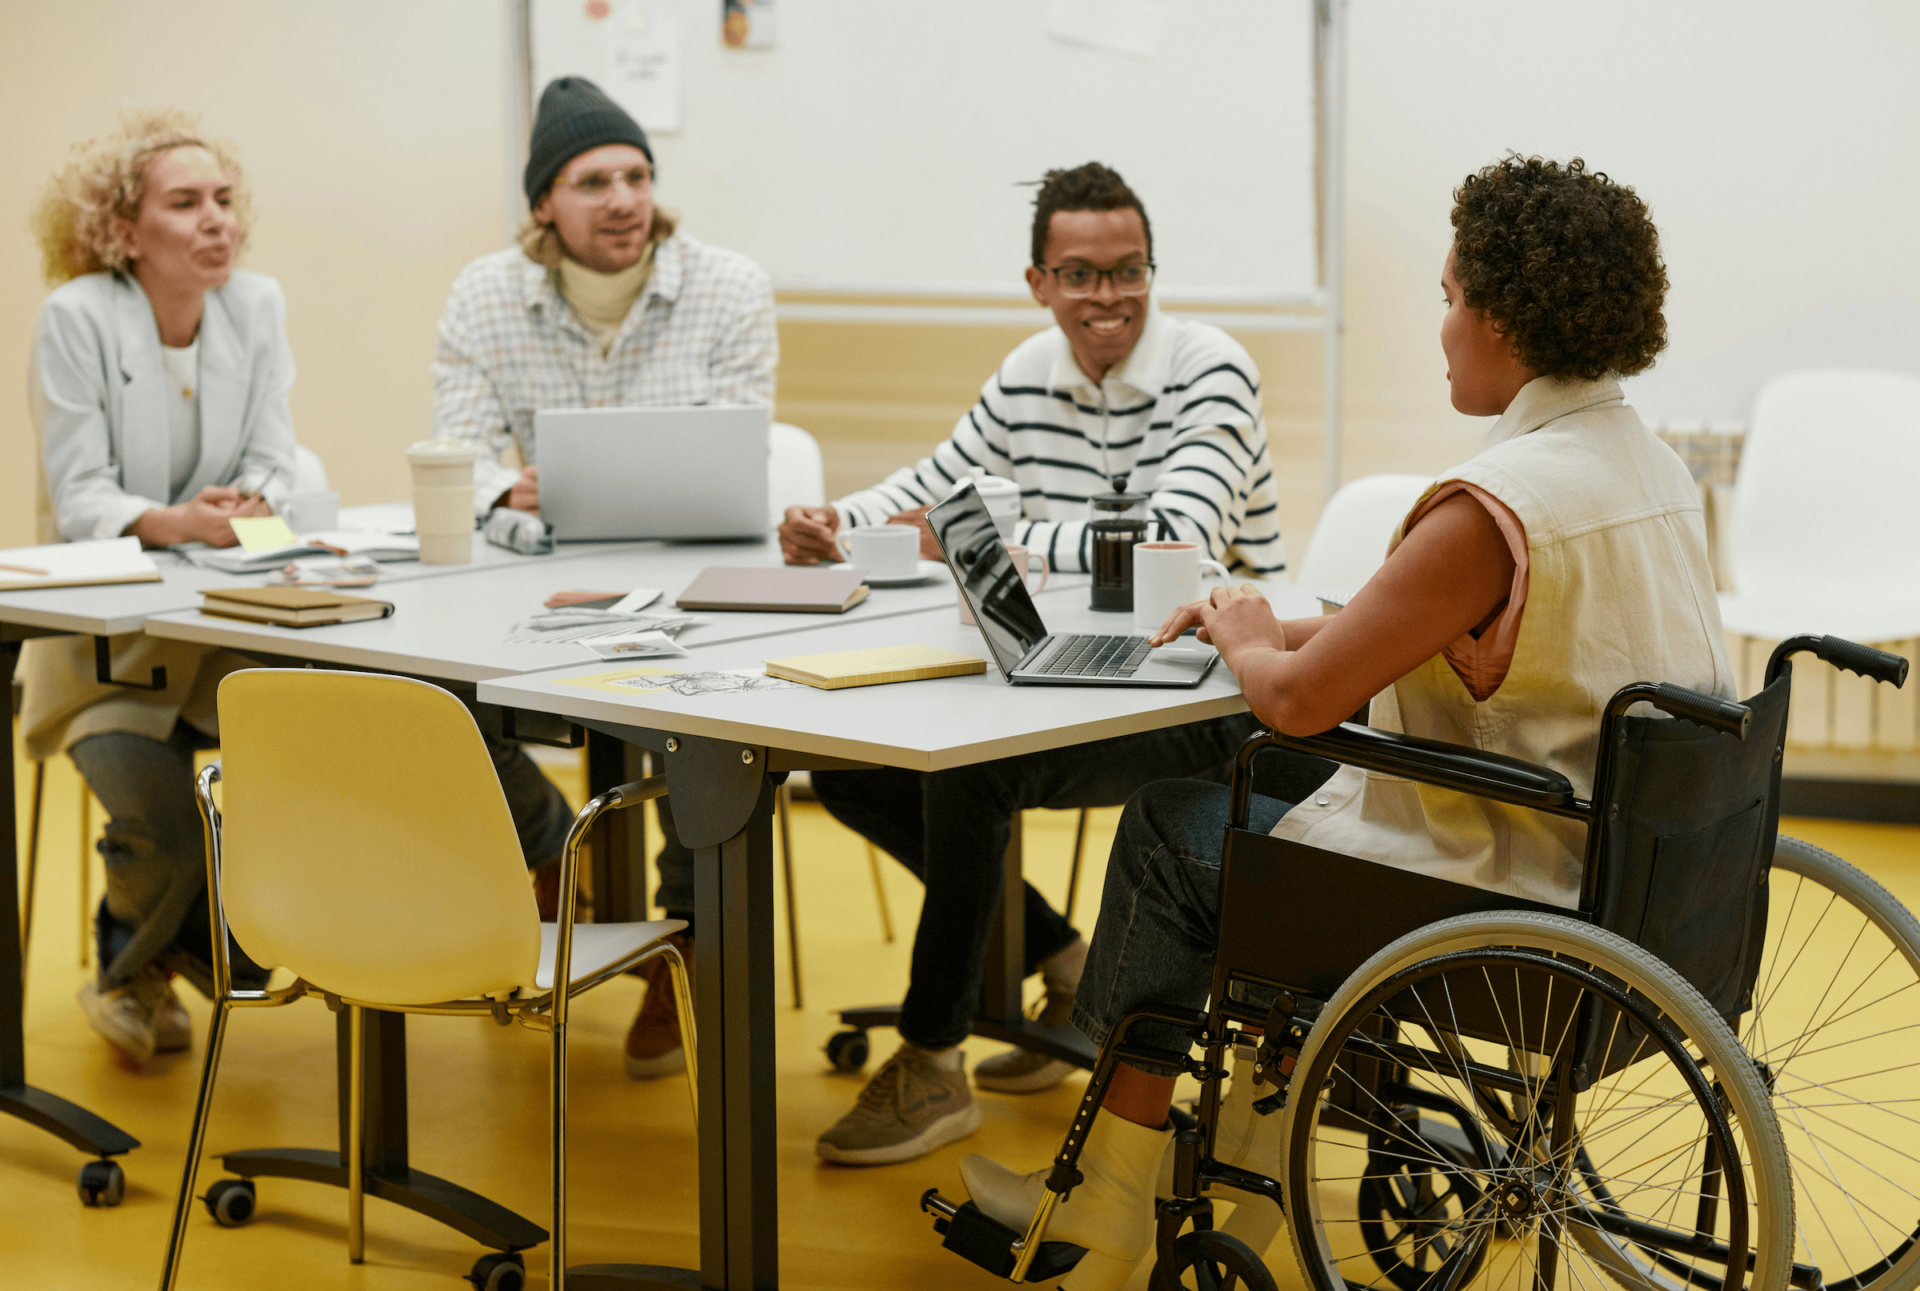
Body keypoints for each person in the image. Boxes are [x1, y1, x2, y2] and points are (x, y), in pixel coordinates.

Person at [959, 155, 1725, 1290]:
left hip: (1502, 889)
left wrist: (1239, 630)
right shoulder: (1639, 462)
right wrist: (1285, 620)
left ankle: (1110, 1202)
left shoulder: (1492, 506)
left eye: (1453, 297)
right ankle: (1253, 1137)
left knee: (1178, 829)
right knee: (1270, 816)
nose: (1444, 324)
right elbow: (1420, 633)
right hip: (1628, 877)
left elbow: (1298, 703)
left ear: (1508, 316)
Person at [778, 163, 1316, 1167]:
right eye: (1080, 273)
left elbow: (1177, 537)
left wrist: (1002, 534)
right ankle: (1061, 960)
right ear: (1038, 282)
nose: (1107, 297)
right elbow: (936, 483)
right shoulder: (1029, 370)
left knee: (970, 772)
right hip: (1075, 669)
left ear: (1153, 271)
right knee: (851, 771)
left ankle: (934, 1059)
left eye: (1129, 271)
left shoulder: (1214, 367)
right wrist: (836, 521)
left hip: (1212, 687)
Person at [431, 75, 777, 1081]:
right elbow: (462, 450)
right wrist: (506, 485)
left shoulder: (729, 284)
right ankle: (548, 863)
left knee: (705, 727)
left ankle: (681, 942)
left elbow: (734, 450)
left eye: (636, 175)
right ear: (546, 203)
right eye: (593, 181)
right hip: (526, 592)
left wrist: (573, 483)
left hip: (690, 587)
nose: (623, 198)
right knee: (430, 696)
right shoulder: (484, 293)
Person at [23, 110, 293, 1064]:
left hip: (217, 629)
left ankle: (205, 946)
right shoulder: (77, 319)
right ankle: (131, 961)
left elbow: (280, 459)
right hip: (100, 647)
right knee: (170, 834)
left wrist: (257, 498)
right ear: (122, 231)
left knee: (312, 764)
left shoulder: (256, 306)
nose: (218, 221)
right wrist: (178, 520)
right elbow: (81, 491)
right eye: (186, 204)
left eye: (224, 201)